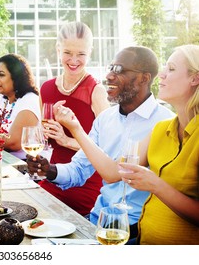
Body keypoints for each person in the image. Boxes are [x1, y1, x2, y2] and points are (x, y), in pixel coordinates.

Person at [26, 46, 175, 240]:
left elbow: (116, 173)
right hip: (96, 222)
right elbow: (79, 169)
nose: (109, 76)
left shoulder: (167, 124)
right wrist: (49, 170)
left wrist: (75, 129)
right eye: (110, 68)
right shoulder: (105, 119)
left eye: (119, 70)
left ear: (144, 78)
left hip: (136, 233)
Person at [116, 45, 198, 244]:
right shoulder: (160, 129)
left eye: (171, 69)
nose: (160, 75)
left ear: (194, 78)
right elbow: (120, 167)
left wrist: (156, 185)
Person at [38, 21, 110, 216]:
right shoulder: (45, 88)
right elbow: (43, 141)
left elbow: (108, 151)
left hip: (85, 189)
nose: (74, 60)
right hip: (51, 180)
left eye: (81, 54)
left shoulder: (96, 91)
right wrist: (43, 134)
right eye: (68, 52)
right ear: (58, 49)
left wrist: (66, 140)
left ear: (90, 53)